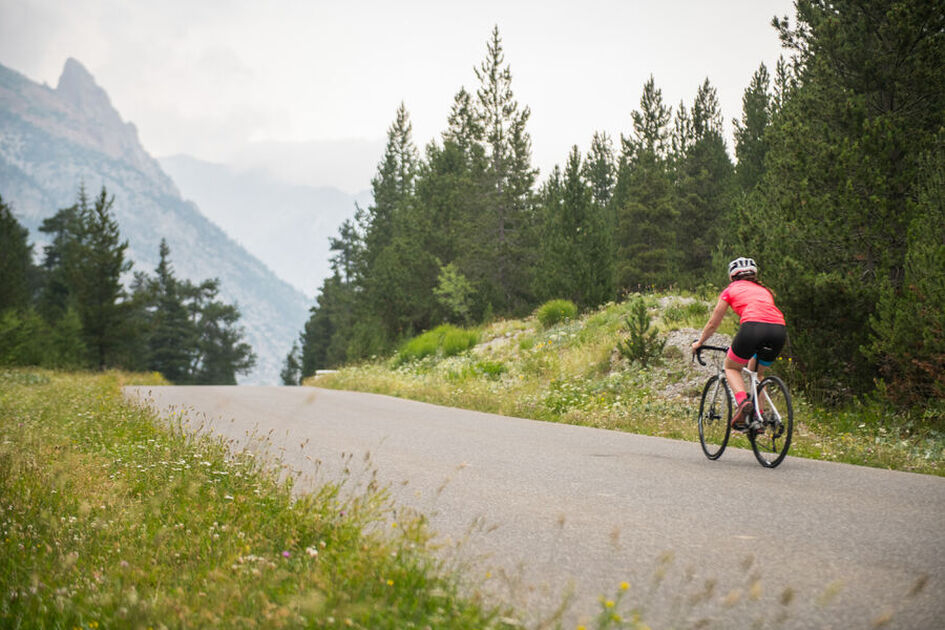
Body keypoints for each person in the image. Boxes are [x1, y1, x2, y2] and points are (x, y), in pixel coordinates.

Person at [691, 257, 787, 431]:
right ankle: (758, 417)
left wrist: (700, 342)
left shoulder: (730, 290)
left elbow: (713, 323)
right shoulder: (765, 291)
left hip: (753, 327)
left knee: (731, 367)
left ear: (732, 276)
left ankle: (743, 404)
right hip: (779, 330)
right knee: (756, 374)